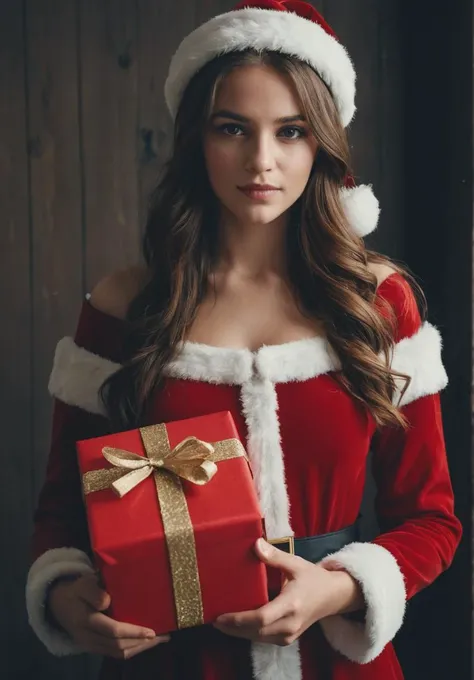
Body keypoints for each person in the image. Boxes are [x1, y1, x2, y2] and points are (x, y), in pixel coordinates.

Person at [26, 1, 462, 679]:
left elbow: (432, 519)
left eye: (290, 131)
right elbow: (61, 513)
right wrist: (65, 594)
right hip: (168, 663)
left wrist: (342, 588)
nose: (262, 160)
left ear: (321, 142)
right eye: (233, 128)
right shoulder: (124, 307)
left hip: (335, 661)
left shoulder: (377, 303)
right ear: (197, 138)